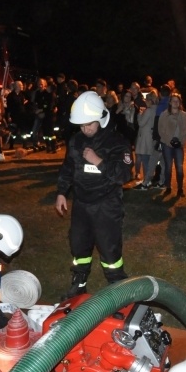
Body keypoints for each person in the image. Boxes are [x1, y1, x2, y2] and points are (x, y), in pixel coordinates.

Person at [55, 91, 133, 298]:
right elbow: (68, 167)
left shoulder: (117, 142)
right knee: (79, 245)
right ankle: (79, 283)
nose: (85, 129)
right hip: (81, 203)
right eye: (81, 125)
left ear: (101, 118)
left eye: (89, 124)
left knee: (109, 248)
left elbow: (124, 175)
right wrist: (62, 192)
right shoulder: (76, 141)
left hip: (106, 204)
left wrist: (98, 161)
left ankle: (117, 287)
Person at [157, 92, 186, 197]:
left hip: (179, 145)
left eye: (177, 101)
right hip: (167, 144)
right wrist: (169, 141)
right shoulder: (164, 115)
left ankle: (180, 188)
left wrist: (181, 141)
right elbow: (161, 130)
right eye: (174, 101)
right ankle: (168, 186)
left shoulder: (184, 115)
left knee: (179, 167)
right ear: (170, 102)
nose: (176, 103)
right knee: (168, 166)